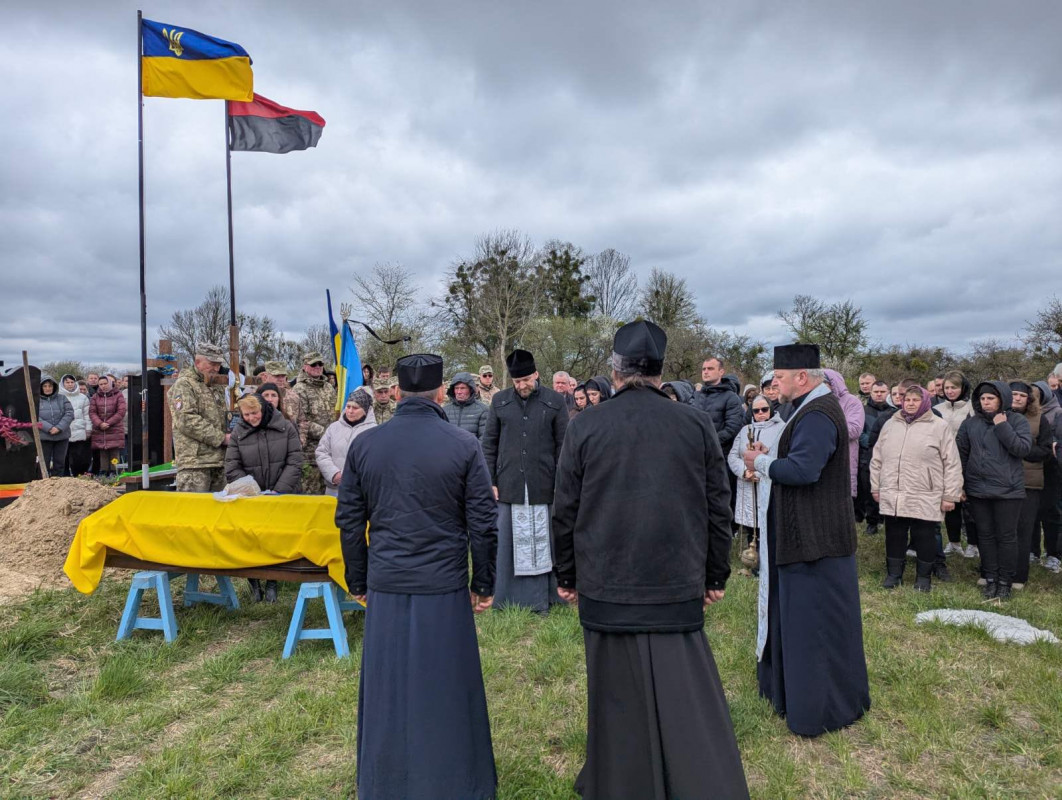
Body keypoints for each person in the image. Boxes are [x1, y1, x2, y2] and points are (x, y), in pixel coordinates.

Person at [553, 321, 749, 799]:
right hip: (673, 578)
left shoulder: (587, 424)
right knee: (681, 692)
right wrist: (714, 573)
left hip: (609, 581)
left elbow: (565, 510)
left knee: (616, 693)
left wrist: (568, 575)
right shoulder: (695, 422)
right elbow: (717, 507)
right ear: (660, 372)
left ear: (615, 370)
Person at [337, 353, 498, 800]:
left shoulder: (366, 445)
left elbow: (350, 520)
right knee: (446, 682)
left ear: (396, 394)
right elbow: (483, 522)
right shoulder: (462, 444)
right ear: (441, 392)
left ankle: (384, 783)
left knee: (389, 686)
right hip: (441, 583)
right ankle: (456, 783)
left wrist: (359, 580)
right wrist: (482, 582)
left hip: (389, 580)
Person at [743, 343, 870, 737]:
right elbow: (798, 454)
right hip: (807, 537)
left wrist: (759, 463)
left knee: (816, 629)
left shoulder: (818, 413)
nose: (773, 385)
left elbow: (803, 469)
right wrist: (771, 451)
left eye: (778, 377)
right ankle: (790, 691)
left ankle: (823, 707)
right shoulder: (807, 409)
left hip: (817, 542)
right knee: (801, 623)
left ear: (802, 377)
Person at [481, 349, 568, 612]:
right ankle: (507, 597)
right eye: (517, 382)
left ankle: (547, 597)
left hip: (544, 483)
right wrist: (490, 480)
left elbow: (564, 446)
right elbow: (489, 445)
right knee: (509, 544)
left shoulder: (555, 401)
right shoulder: (499, 401)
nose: (522, 386)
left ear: (536, 375)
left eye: (526, 380)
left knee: (545, 542)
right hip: (509, 484)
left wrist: (561, 481)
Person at [871, 386, 962, 591]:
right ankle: (894, 574)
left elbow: (952, 462)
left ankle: (923, 578)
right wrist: (876, 486)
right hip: (894, 489)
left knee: (924, 535)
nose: (910, 403)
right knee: (894, 533)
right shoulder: (890, 424)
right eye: (907, 399)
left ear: (925, 402)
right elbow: (877, 458)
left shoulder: (939, 426)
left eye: (915, 400)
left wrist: (950, 495)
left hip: (925, 491)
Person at [957, 382, 1032, 600]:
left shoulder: (1017, 420)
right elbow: (961, 454)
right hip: (978, 489)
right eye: (982, 398)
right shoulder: (970, 424)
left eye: (991, 398)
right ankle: (990, 578)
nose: (986, 402)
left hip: (1008, 490)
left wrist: (1002, 426)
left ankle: (1005, 581)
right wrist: (960, 484)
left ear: (1002, 399)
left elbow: (1022, 449)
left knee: (1007, 537)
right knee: (986, 536)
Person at [225, 393, 303, 602]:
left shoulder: (286, 427)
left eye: (255, 413)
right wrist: (251, 489)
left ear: (264, 409)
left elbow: (295, 461)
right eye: (247, 414)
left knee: (274, 540)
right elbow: (232, 466)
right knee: (250, 540)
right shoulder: (239, 432)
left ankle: (272, 582)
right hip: (251, 499)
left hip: (279, 494)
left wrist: (279, 490)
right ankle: (253, 583)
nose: (251, 418)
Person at [728, 395, 785, 558]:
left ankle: (769, 557)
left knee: (768, 522)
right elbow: (733, 456)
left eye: (764, 409)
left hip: (768, 482)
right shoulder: (745, 430)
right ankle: (751, 557)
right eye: (756, 410)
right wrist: (745, 471)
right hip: (747, 483)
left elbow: (781, 456)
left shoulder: (782, 429)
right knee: (751, 524)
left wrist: (759, 472)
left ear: (770, 410)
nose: (761, 413)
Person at [168, 344, 229, 492]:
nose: (216, 368)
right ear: (197, 362)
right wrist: (221, 438)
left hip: (219, 460)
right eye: (212, 364)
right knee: (194, 512)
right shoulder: (185, 384)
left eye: (218, 364)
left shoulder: (217, 385)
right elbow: (186, 419)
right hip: (195, 463)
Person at [1010, 382, 1053, 589]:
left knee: (1023, 530)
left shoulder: (1039, 419)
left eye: (1021, 395)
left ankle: (1019, 575)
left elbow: (1046, 451)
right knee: (1001, 529)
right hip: (1001, 481)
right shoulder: (998, 417)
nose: (1016, 398)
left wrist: (1019, 448)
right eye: (1012, 394)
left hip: (1029, 482)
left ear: (1028, 398)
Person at [936, 371, 977, 556]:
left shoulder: (971, 408)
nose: (950, 391)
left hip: (967, 460)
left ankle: (973, 544)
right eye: (947, 388)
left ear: (963, 388)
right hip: (943, 461)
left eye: (954, 387)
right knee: (950, 502)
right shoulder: (938, 409)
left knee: (969, 504)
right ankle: (953, 542)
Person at [317, 388, 377, 498]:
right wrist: (334, 474)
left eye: (355, 408)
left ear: (365, 410)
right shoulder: (334, 428)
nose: (350, 411)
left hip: (360, 491)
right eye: (348, 406)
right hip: (333, 489)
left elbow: (375, 461)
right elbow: (322, 453)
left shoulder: (374, 431)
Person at [291, 352, 338, 495]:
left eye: (320, 364)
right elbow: (301, 420)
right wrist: (326, 433)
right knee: (312, 494)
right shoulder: (299, 389)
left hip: (331, 450)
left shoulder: (328, 387)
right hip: (311, 453)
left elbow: (336, 412)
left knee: (330, 494)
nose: (318, 367)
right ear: (305, 366)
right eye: (313, 364)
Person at [1031, 381, 1061, 572]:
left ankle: (1053, 554)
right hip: (1031, 468)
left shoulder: (1057, 413)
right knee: (1031, 513)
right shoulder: (1026, 415)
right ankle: (1032, 551)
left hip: (1052, 469)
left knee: (1051, 513)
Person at [824, 369, 865, 501]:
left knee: (842, 505)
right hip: (820, 460)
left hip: (843, 458)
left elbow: (854, 429)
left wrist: (822, 431)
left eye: (823, 382)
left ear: (833, 383)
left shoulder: (851, 402)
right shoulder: (814, 402)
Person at [857, 381, 891, 535]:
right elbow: (859, 432)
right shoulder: (862, 411)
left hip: (890, 457)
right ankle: (872, 522)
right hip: (867, 456)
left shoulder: (894, 412)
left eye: (882, 391)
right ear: (870, 393)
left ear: (887, 392)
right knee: (870, 490)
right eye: (876, 391)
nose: (879, 394)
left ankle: (886, 518)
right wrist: (873, 445)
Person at [692, 357, 745, 455]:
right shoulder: (696, 396)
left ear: (721, 372)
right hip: (695, 453)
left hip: (719, 455)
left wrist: (708, 442)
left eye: (710, 368)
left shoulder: (731, 397)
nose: (706, 372)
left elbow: (732, 429)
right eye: (704, 369)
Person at [89, 374, 127, 477]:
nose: (103, 386)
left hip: (114, 428)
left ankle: (115, 473)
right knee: (103, 453)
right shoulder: (95, 397)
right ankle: (103, 473)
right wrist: (100, 423)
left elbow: (121, 411)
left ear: (110, 383)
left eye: (105, 383)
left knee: (114, 452)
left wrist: (109, 423)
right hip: (100, 429)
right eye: (101, 384)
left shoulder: (118, 395)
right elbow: (92, 412)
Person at [36, 375, 74, 476]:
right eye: (45, 386)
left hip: (61, 436)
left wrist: (59, 427)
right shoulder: (36, 400)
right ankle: (43, 486)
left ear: (54, 387)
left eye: (50, 386)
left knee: (59, 463)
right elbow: (34, 417)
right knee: (44, 463)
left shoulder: (62, 398)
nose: (48, 388)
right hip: (44, 437)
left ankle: (57, 484)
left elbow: (69, 413)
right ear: (41, 387)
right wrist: (48, 428)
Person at [59, 374, 92, 475]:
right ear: (63, 383)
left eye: (72, 382)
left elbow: (87, 415)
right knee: (63, 458)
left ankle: (79, 478)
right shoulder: (58, 397)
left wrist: (88, 429)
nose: (70, 385)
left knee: (79, 459)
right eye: (67, 382)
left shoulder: (83, 398)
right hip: (63, 432)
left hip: (79, 431)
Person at [444, 372, 490, 438]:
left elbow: (484, 439)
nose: (459, 392)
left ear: (470, 389)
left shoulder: (483, 410)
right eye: (456, 388)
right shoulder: (444, 410)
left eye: (463, 388)